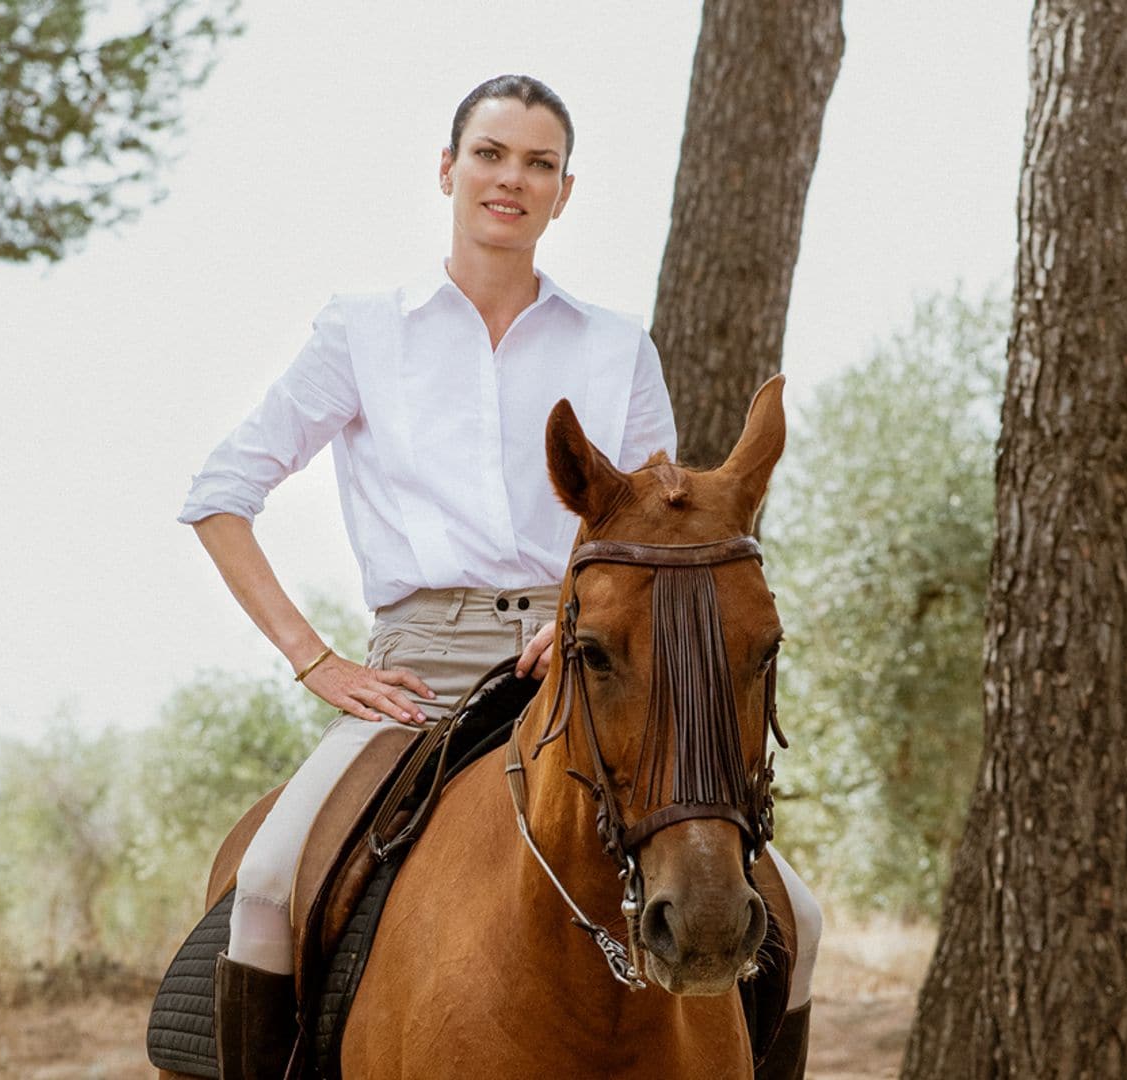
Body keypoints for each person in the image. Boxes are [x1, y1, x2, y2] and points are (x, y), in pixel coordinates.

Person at [178, 75, 820, 1079]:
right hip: (414, 682)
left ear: (564, 192)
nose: (510, 179)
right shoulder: (362, 331)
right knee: (263, 884)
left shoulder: (615, 349)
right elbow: (221, 495)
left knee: (802, 918)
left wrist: (578, 621)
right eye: (490, 153)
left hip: (585, 666)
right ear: (448, 168)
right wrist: (315, 660)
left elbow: (651, 525)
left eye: (538, 163)